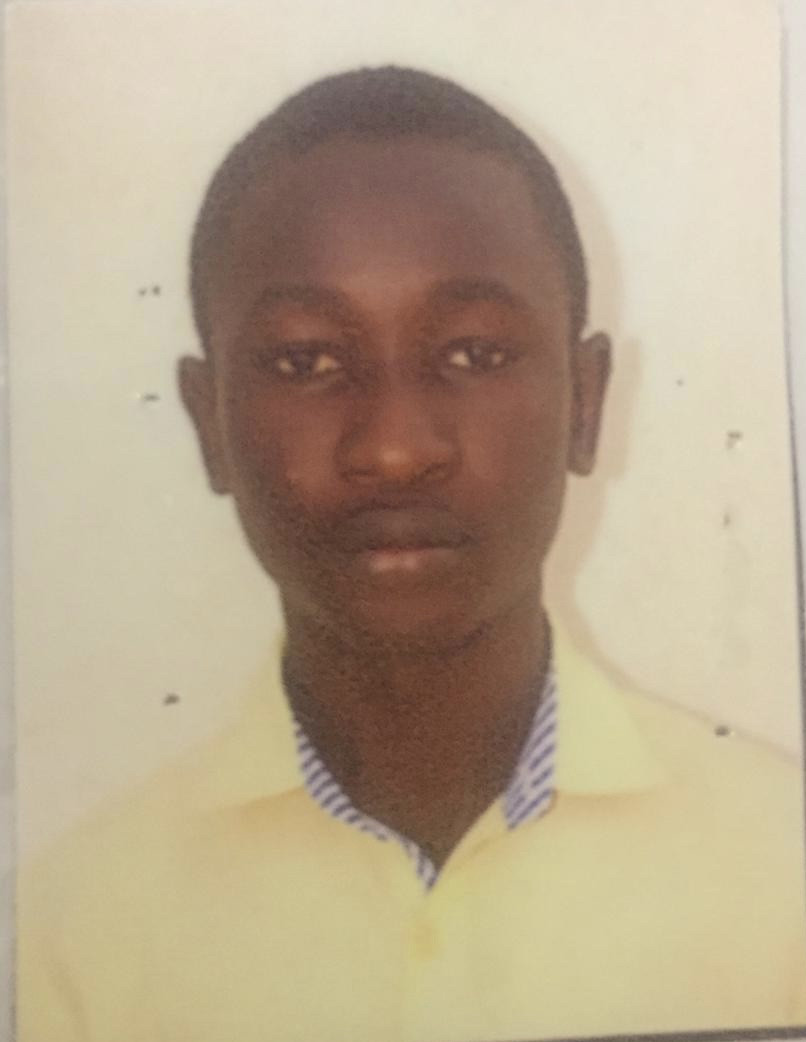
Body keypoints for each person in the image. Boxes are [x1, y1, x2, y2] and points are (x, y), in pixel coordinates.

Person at [18, 66, 806, 1042]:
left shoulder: (783, 878)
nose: (394, 449)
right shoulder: (74, 935)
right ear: (208, 422)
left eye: (473, 354)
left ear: (586, 401)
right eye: (306, 360)